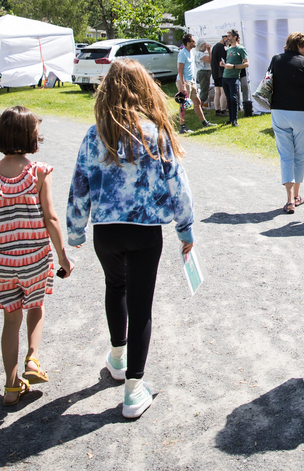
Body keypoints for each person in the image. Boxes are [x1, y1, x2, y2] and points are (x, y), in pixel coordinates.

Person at [66, 59, 194, 420]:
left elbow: (79, 185)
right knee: (141, 306)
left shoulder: (95, 135)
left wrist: (75, 230)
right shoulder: (157, 134)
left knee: (115, 287)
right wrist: (185, 229)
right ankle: (134, 390)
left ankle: (118, 357)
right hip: (145, 231)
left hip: (106, 231)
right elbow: (178, 186)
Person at [0, 106, 74, 406]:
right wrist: (63, 257)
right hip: (35, 258)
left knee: (10, 319)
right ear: (31, 137)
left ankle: (10, 385)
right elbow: (51, 218)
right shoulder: (39, 172)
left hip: (1, 260)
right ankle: (32, 359)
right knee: (36, 306)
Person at [268, 32, 304, 213]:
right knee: (300, 155)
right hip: (301, 113)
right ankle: (297, 195)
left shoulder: (276, 59)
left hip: (279, 111)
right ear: (298, 46)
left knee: (286, 156)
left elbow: (268, 82)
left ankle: (290, 199)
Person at [175, 34, 213, 134]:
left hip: (191, 81)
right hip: (184, 82)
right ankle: (182, 127)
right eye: (193, 41)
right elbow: (180, 70)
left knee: (197, 102)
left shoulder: (191, 52)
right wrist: (183, 85)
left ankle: (204, 123)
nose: (195, 42)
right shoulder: (182, 53)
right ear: (188, 43)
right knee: (183, 104)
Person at [221, 29, 248, 127]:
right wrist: (223, 64)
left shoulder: (241, 49)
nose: (227, 38)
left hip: (234, 77)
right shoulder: (228, 49)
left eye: (229, 36)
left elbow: (246, 64)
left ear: (234, 37)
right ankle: (231, 119)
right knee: (228, 99)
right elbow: (229, 62)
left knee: (233, 98)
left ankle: (234, 120)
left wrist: (233, 66)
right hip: (225, 76)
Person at [210, 35, 228, 115]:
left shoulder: (215, 47)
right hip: (220, 73)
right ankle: (223, 110)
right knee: (223, 92)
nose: (228, 43)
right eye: (227, 41)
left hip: (215, 73)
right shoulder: (221, 48)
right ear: (224, 38)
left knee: (217, 92)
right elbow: (223, 60)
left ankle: (217, 110)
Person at [196, 41, 212, 110]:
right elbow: (210, 60)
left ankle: (200, 107)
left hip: (202, 72)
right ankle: (199, 108)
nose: (207, 46)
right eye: (205, 45)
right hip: (204, 73)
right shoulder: (200, 54)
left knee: (203, 90)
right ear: (202, 46)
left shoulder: (198, 53)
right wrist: (209, 50)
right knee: (204, 91)